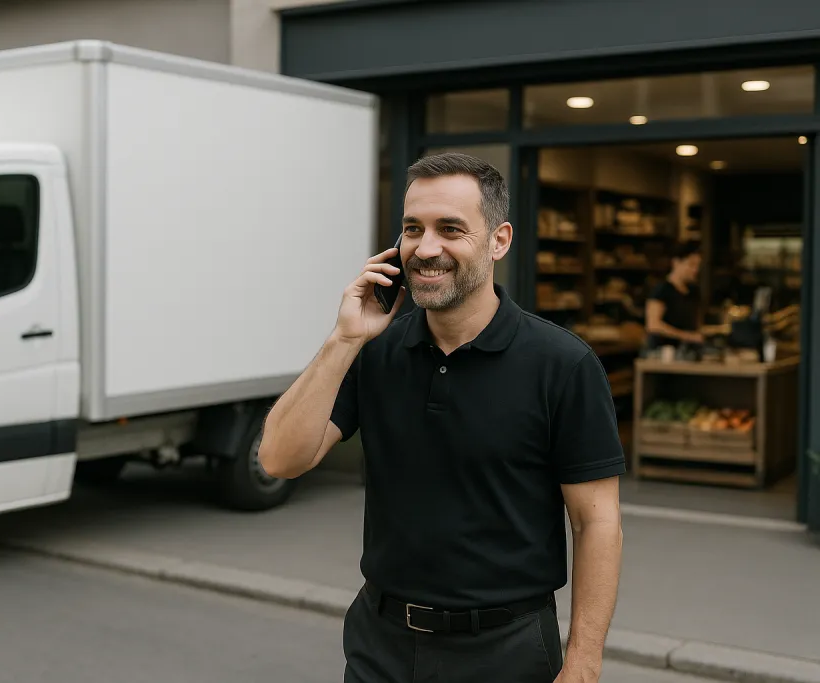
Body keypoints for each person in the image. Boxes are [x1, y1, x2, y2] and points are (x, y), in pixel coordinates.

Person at [258, 152, 625, 683]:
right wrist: (344, 340)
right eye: (413, 229)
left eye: (450, 229)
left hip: (507, 651)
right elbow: (279, 459)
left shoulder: (563, 365)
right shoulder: (375, 351)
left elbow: (597, 523)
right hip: (380, 646)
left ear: (499, 240)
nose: (426, 249)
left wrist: (584, 663)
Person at [645, 241, 703, 349]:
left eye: (698, 266)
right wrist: (686, 336)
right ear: (676, 262)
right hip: (662, 352)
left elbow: (696, 326)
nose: (695, 270)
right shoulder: (662, 290)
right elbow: (653, 325)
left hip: (687, 352)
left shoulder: (694, 292)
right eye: (691, 264)